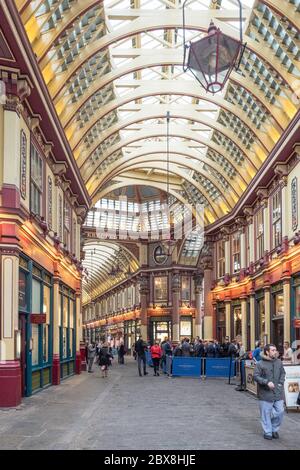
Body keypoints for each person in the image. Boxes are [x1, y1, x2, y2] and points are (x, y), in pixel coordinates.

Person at [253, 343, 286, 440]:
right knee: (266, 413)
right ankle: (268, 432)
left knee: (280, 411)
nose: (275, 352)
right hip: (265, 393)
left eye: (275, 350)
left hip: (278, 392)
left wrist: (280, 383)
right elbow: (256, 376)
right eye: (273, 350)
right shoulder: (260, 364)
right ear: (267, 352)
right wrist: (266, 382)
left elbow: (283, 373)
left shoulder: (279, 362)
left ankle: (274, 429)